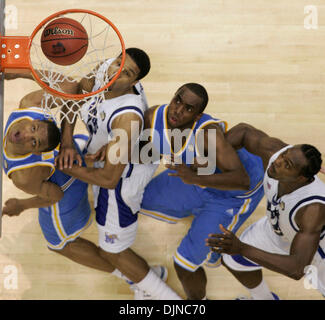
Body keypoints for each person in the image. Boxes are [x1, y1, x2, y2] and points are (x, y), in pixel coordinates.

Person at [54, 48, 181, 300]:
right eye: (117, 63)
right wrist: (66, 141)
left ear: (134, 82)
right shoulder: (106, 69)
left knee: (112, 250)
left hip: (123, 181)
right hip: (108, 158)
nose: (116, 73)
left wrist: (71, 167)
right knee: (111, 244)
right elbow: (78, 90)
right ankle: (147, 279)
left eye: (127, 73)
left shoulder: (129, 117)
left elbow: (110, 179)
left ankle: (170, 300)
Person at [139, 83, 265, 299]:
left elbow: (241, 180)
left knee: (184, 265)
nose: (178, 110)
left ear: (198, 116)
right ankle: (199, 213)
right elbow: (143, 149)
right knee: (139, 200)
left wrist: (194, 177)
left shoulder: (208, 135)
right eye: (178, 100)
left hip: (232, 195)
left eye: (188, 108)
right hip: (196, 179)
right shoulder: (155, 115)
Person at [206, 122, 325, 299]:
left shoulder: (313, 209)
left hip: (312, 253)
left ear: (300, 178)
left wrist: (241, 248)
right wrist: (206, 162)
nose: (278, 161)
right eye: (284, 155)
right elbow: (244, 132)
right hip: (278, 230)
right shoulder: (275, 155)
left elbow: (297, 268)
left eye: (287, 164)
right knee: (234, 261)